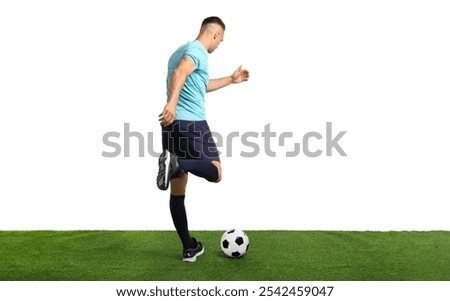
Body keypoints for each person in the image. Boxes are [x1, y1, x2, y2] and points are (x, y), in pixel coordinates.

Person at [156, 16, 249, 262]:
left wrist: (231, 79)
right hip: (191, 123)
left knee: (177, 188)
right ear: (215, 34)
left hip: (171, 126)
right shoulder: (198, 51)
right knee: (216, 172)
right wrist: (172, 103)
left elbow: (197, 83)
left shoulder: (180, 50)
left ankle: (189, 247)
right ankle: (177, 163)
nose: (219, 45)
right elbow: (181, 71)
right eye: (221, 40)